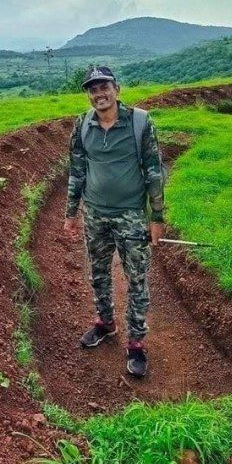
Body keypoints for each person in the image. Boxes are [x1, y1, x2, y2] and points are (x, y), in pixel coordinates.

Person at [63, 65, 165, 377]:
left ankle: (136, 343)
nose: (99, 94)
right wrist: (70, 213)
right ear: (88, 94)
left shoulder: (140, 122)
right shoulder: (82, 125)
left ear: (116, 89)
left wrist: (156, 217)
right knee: (98, 272)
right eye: (93, 89)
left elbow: (154, 170)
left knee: (136, 278)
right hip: (94, 214)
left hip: (131, 215)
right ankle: (105, 322)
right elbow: (77, 171)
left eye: (104, 87)